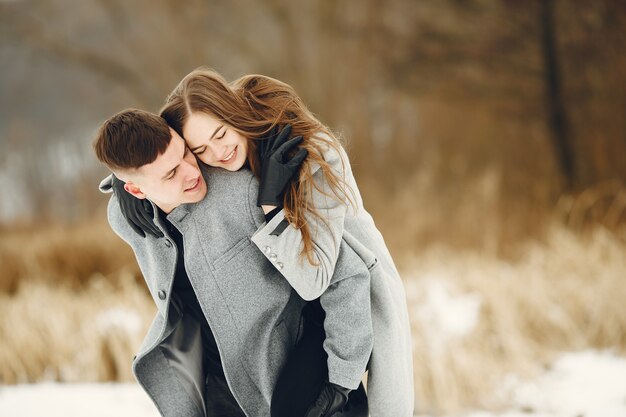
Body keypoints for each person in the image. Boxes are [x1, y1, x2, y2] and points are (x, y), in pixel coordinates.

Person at [118, 68, 415, 417]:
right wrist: (125, 187)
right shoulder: (220, 162)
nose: (218, 152)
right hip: (300, 310)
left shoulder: (311, 154)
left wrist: (273, 206)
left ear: (233, 115)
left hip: (348, 288)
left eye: (221, 134)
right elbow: (150, 148)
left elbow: (317, 277)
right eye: (199, 149)